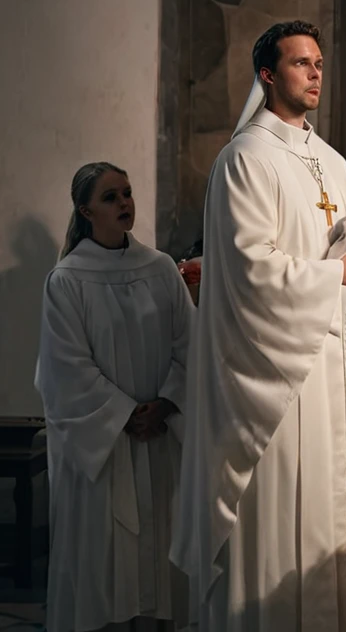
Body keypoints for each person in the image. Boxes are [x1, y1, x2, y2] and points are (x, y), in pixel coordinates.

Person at [172, 21, 346, 631]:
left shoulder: (332, 162)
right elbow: (247, 269)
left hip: (338, 367)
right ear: (268, 75)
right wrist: (336, 277)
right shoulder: (244, 158)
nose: (316, 72)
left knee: (336, 510)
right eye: (301, 63)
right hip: (278, 379)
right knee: (286, 509)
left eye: (320, 62)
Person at [36, 162, 192, 632]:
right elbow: (66, 370)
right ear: (85, 211)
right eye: (110, 197)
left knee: (158, 563)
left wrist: (165, 403)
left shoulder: (161, 268)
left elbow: (190, 345)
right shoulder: (67, 280)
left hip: (158, 439)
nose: (125, 203)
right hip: (104, 452)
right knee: (105, 565)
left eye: (126, 193)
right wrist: (126, 415)